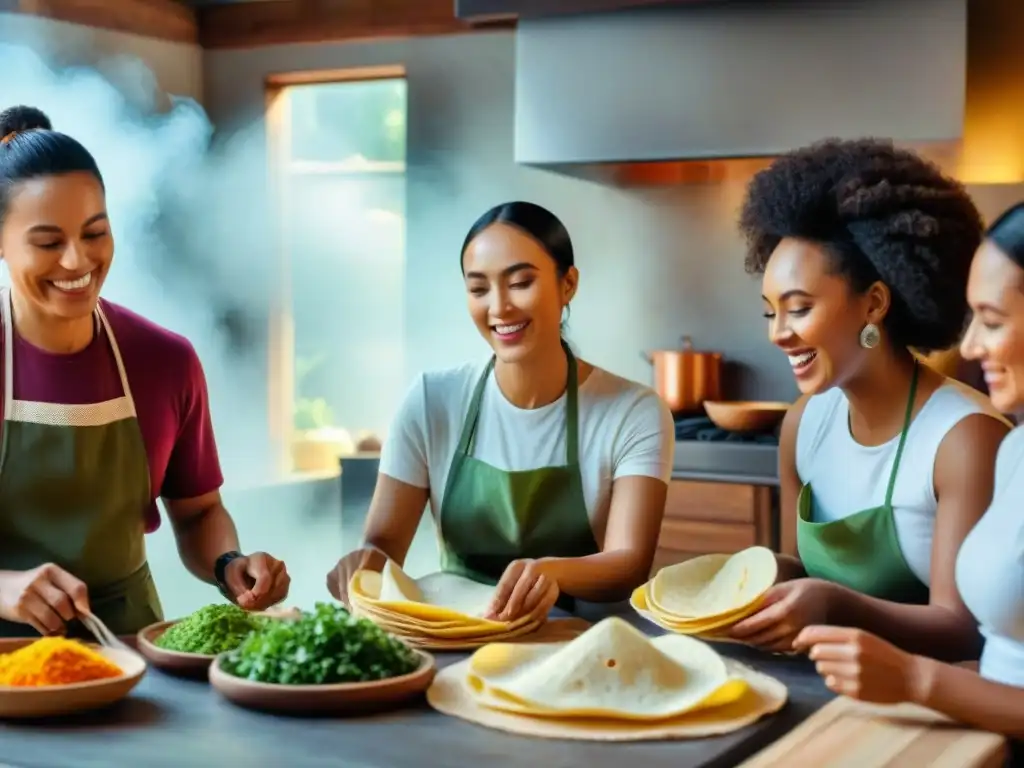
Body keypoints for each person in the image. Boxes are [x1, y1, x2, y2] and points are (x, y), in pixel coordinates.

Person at [0, 105, 290, 638]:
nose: (76, 261)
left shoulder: (164, 361)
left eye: (95, 233)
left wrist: (231, 564)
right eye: (47, 243)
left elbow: (199, 511)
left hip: (132, 654)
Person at [728, 138, 1010, 658]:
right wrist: (734, 581)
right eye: (770, 312)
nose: (778, 334)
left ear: (875, 303)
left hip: (932, 706)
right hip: (822, 683)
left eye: (799, 308)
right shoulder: (804, 423)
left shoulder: (966, 439)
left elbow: (963, 628)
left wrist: (834, 605)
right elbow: (798, 567)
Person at [326, 201, 675, 621]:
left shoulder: (632, 411)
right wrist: (361, 565)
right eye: (478, 289)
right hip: (458, 636)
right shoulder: (430, 401)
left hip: (586, 642)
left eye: (521, 282)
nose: (499, 307)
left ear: (568, 285)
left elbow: (629, 563)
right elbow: (382, 548)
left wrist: (546, 573)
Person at [793, 202, 1024, 744]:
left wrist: (915, 677)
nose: (968, 347)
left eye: (991, 321)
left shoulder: (974, 436)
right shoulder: (1016, 451)